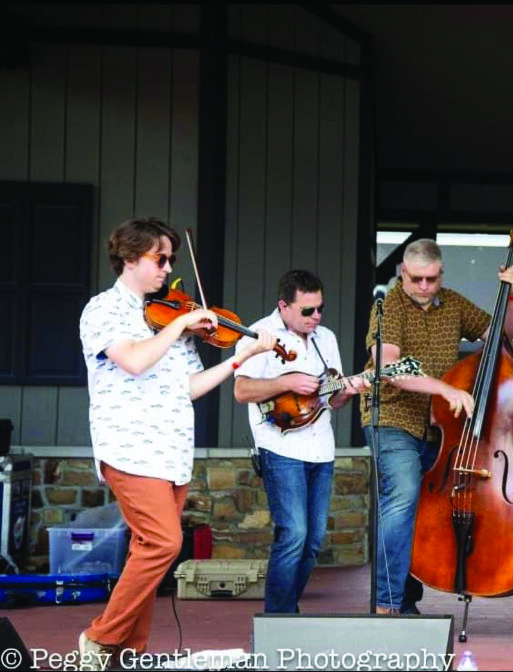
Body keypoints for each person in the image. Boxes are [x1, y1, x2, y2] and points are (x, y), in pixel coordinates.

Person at [77, 217, 276, 670]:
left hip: (171, 451)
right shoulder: (103, 309)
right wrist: (182, 323)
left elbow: (186, 386)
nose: (168, 268)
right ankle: (100, 639)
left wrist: (238, 359)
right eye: (159, 259)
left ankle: (127, 654)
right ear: (130, 259)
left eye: (170, 259)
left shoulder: (169, 317)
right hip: (128, 445)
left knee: (145, 549)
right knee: (164, 544)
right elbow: (132, 360)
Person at [362, 238, 513, 615]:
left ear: (440, 275)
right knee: (402, 499)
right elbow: (389, 369)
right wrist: (444, 388)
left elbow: (501, 336)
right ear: (403, 273)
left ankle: (406, 599)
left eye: (430, 279)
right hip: (392, 417)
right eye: (415, 279)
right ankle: (386, 604)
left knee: (424, 510)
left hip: (438, 426)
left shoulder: (453, 303)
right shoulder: (388, 307)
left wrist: (512, 297)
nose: (422, 287)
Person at [233, 270, 369, 614]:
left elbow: (331, 399)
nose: (317, 317)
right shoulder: (258, 335)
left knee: (312, 541)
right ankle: (277, 618)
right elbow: (242, 390)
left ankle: (287, 608)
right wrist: (288, 381)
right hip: (280, 447)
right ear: (284, 306)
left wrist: (349, 391)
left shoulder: (327, 338)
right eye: (307, 311)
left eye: (320, 308)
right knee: (292, 533)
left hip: (321, 447)